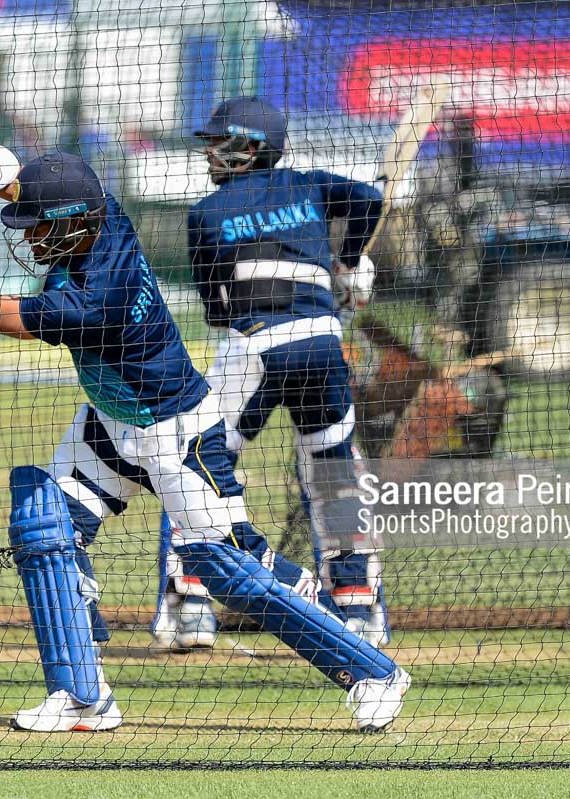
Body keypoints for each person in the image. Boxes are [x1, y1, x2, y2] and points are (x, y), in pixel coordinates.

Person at [0, 151, 410, 733]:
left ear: (75, 225)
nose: (29, 240)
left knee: (231, 570)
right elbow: (2, 167)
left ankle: (373, 672)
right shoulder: (105, 217)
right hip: (110, 419)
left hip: (176, 433)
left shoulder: (88, 302)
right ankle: (81, 696)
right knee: (44, 522)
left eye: (40, 230)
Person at [152, 97, 390, 651]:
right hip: (322, 345)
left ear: (248, 148)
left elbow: (217, 312)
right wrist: (347, 268)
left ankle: (191, 608)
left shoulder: (206, 215)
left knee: (195, 463)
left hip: (256, 348)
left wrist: (334, 272)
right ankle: (359, 614)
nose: (208, 151)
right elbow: (370, 200)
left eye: (218, 141)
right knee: (334, 472)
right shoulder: (309, 185)